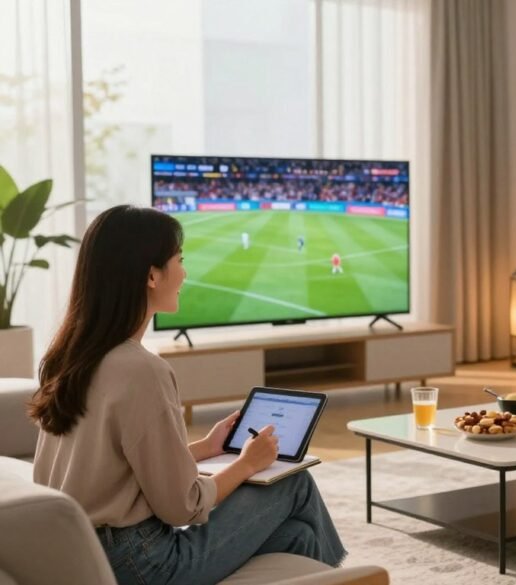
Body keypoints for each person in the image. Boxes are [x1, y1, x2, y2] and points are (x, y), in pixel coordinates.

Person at [29, 206, 346, 584]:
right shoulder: (142, 370)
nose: (184, 273)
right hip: (144, 564)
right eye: (179, 260)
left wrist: (205, 449)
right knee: (292, 481)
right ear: (151, 275)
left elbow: (109, 467)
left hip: (82, 550)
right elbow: (183, 506)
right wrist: (246, 464)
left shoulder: (70, 358)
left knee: (298, 537)